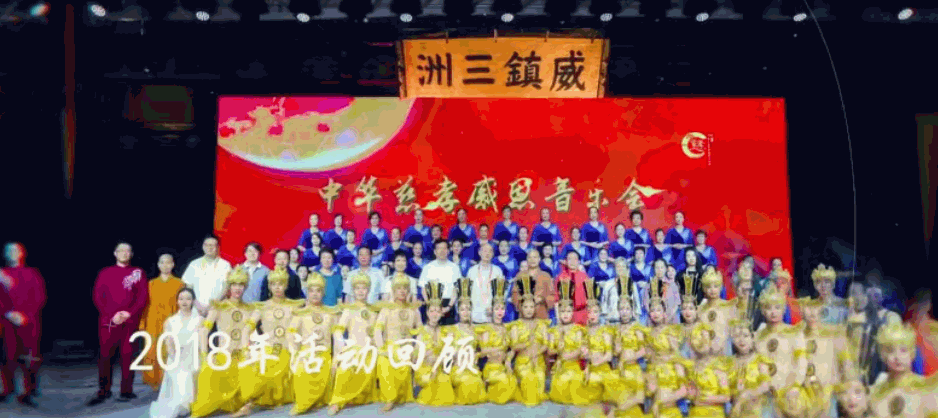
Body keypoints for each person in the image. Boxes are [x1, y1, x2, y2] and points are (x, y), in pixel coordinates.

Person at [234, 267, 303, 417]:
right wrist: (246, 349)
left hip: (288, 351)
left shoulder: (295, 306)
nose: (277, 287)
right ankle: (250, 401)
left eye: (281, 284)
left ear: (286, 285)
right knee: (255, 366)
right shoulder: (262, 307)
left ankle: (250, 404)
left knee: (270, 368)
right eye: (273, 284)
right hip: (268, 349)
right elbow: (246, 330)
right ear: (270, 286)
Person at [88, 242, 150, 406]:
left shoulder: (138, 272)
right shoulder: (105, 272)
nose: (124, 253)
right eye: (121, 250)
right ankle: (104, 391)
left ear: (131, 254)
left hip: (129, 322)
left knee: (128, 356)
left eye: (127, 251)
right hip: (108, 322)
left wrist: (129, 313)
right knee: (105, 357)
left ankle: (126, 390)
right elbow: (98, 296)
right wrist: (112, 316)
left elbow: (142, 297)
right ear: (115, 253)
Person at [189, 267, 253, 418]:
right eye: (234, 284)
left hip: (243, 357)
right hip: (223, 356)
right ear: (229, 287)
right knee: (206, 377)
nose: (237, 288)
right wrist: (204, 355)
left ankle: (245, 406)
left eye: (241, 285)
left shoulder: (249, 308)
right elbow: (204, 331)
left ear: (245, 287)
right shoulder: (218, 306)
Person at [0, 242, 47, 406]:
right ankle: (9, 389)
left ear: (22, 253)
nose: (12, 253)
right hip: (6, 322)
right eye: (9, 250)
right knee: (7, 357)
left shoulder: (32, 273)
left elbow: (39, 296)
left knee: (30, 357)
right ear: (5, 254)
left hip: (29, 322)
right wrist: (7, 313)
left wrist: (25, 315)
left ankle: (30, 391)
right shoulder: (1, 274)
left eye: (15, 250)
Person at [288, 272, 340, 416]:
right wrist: (295, 353)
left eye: (318, 290)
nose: (315, 294)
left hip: (324, 355)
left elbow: (338, 338)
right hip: (306, 354)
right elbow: (291, 334)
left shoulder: (331, 313)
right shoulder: (301, 313)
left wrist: (336, 358)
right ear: (307, 293)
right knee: (301, 370)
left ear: (323, 293)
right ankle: (304, 403)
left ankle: (326, 401)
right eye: (311, 291)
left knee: (332, 369)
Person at [328, 272, 379, 415]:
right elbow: (338, 331)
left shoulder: (374, 310)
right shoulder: (349, 309)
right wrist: (341, 347)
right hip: (353, 349)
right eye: (357, 288)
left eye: (364, 288)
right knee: (344, 370)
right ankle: (337, 402)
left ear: (368, 290)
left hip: (369, 351)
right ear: (353, 291)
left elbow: (377, 333)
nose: (361, 291)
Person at [148, 288, 201, 418]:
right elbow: (168, 343)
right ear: (177, 301)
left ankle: (194, 403)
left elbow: (202, 343)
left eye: (188, 298)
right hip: (176, 357)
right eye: (181, 299)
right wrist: (176, 358)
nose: (184, 302)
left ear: (193, 301)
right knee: (180, 373)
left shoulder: (200, 320)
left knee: (193, 369)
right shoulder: (170, 321)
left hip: (194, 355)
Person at [373, 274, 421, 412]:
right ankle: (390, 399)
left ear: (408, 291)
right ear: (393, 290)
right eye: (399, 288)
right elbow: (378, 329)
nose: (402, 291)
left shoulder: (414, 309)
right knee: (383, 361)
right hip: (389, 347)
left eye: (405, 288)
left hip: (406, 350)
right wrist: (381, 347)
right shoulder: (387, 308)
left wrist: (417, 349)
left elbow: (420, 331)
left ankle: (397, 395)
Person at [868, 323, 938, 417]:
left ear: (912, 353)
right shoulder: (874, 393)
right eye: (890, 351)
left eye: (903, 350)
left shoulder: (926, 387)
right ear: (883, 355)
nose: (897, 356)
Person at [139, 253, 185, 390]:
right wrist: (142, 323)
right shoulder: (151, 284)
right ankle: (154, 381)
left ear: (173, 265)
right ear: (158, 265)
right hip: (153, 322)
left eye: (168, 262)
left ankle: (170, 382)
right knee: (153, 350)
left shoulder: (179, 283)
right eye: (162, 262)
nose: (165, 265)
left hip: (172, 322)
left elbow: (183, 305)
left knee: (170, 350)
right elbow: (145, 305)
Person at [582, 279, 627, 411]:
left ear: (600, 312)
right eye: (589, 312)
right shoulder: (584, 331)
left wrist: (596, 362)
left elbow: (608, 355)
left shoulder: (605, 331)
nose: (592, 315)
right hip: (590, 367)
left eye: (595, 312)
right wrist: (586, 358)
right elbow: (584, 354)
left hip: (602, 367)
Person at [754, 284, 807, 393]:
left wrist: (796, 387)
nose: (773, 312)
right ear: (763, 311)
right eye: (769, 308)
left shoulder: (795, 332)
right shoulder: (758, 335)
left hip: (789, 392)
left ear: (783, 310)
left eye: (777, 307)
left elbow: (801, 363)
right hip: (764, 394)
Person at [508, 275, 550, 406]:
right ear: (521, 308)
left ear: (535, 308)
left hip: (538, 360)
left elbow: (546, 344)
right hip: (523, 361)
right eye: (526, 307)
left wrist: (536, 354)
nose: (529, 310)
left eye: (531, 307)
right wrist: (526, 343)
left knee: (540, 376)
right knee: (529, 378)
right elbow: (514, 346)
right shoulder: (516, 325)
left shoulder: (541, 324)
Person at [547, 278, 590, 406]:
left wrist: (571, 355)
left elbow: (581, 351)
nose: (565, 314)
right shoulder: (554, 330)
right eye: (562, 312)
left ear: (572, 313)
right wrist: (558, 350)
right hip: (560, 366)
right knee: (560, 388)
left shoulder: (578, 329)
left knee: (575, 384)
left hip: (574, 366)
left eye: (568, 311)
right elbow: (550, 351)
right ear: (559, 313)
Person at [414, 281, 456, 407]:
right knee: (430, 381)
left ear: (441, 313)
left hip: (439, 369)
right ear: (427, 313)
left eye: (438, 311)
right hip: (424, 369)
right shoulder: (421, 331)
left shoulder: (445, 331)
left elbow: (450, 355)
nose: (435, 314)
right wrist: (426, 357)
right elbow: (415, 358)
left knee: (445, 382)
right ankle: (418, 386)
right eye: (432, 311)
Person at [612, 278, 649, 418]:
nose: (624, 312)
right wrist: (617, 346)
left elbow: (643, 350)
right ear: (618, 311)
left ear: (632, 310)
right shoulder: (616, 328)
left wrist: (628, 358)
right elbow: (616, 352)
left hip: (634, 368)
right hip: (620, 369)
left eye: (627, 309)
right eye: (622, 309)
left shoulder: (637, 328)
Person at [477, 277, 518, 404]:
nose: (500, 312)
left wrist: (508, 360)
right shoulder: (486, 328)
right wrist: (499, 349)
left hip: (502, 366)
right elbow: (483, 351)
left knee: (512, 382)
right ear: (492, 310)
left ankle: (492, 388)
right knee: (504, 381)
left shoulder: (507, 328)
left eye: (502, 309)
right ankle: (487, 382)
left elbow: (512, 349)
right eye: (497, 309)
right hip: (491, 366)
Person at [451, 278, 488, 404]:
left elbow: (483, 350)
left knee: (475, 382)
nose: (465, 312)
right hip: (458, 367)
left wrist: (476, 355)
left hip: (472, 366)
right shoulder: (453, 329)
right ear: (458, 311)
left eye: (468, 309)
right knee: (467, 383)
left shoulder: (476, 329)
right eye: (462, 309)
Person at [728, 318, 774, 418]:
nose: (741, 340)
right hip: (736, 412)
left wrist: (746, 394)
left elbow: (765, 385)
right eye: (737, 336)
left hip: (758, 411)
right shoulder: (729, 363)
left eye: (746, 336)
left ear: (752, 337)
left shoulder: (760, 360)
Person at [686, 322, 733, 418]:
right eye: (699, 340)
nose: (703, 344)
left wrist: (703, 399)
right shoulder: (690, 367)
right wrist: (691, 395)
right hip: (694, 413)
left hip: (714, 414)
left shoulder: (719, 365)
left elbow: (726, 397)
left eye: (706, 340)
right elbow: (690, 395)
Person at [182, 236, 232, 316]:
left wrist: (212, 306)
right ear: (203, 247)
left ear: (218, 247)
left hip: (218, 309)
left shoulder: (225, 265)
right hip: (197, 310)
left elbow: (226, 288)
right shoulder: (194, 264)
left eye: (212, 245)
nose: (209, 248)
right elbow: (189, 288)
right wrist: (197, 305)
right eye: (207, 245)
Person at [419, 240, 461, 325]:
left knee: (449, 332)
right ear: (435, 251)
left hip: (448, 305)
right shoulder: (428, 267)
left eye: (444, 248)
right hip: (431, 307)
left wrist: (449, 307)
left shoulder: (455, 268)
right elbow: (423, 289)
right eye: (439, 248)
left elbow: (456, 290)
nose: (442, 251)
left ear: (448, 251)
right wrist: (430, 305)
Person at [510, 249, 556, 321]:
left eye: (535, 257)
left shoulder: (546, 276)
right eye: (530, 257)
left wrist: (542, 299)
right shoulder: (520, 275)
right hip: (524, 315)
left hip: (541, 314)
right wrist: (523, 301)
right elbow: (514, 294)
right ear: (527, 259)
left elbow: (552, 296)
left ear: (539, 259)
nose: (532, 260)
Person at [698, 269, 735, 355]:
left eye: (715, 286)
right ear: (704, 289)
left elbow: (733, 333)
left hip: (724, 353)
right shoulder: (700, 309)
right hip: (705, 353)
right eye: (708, 287)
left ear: (720, 287)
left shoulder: (729, 306)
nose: (712, 290)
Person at [467, 243, 504, 324]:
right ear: (479, 252)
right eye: (484, 251)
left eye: (490, 251)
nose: (487, 254)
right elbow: (467, 293)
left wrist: (494, 307)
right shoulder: (472, 271)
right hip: (474, 313)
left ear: (493, 254)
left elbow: (500, 293)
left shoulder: (497, 271)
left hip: (491, 313)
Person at [601, 259, 642, 325]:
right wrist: (606, 320)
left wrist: (636, 320)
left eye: (623, 266)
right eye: (618, 266)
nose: (620, 269)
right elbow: (604, 304)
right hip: (612, 322)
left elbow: (637, 305)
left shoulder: (632, 284)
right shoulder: (608, 284)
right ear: (615, 269)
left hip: (629, 322)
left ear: (627, 269)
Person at [556, 250, 589, 326]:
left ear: (579, 261)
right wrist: (558, 319)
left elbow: (588, 299)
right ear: (566, 261)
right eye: (570, 259)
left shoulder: (584, 277)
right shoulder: (560, 277)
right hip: (565, 316)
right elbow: (556, 300)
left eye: (575, 259)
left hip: (582, 314)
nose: (572, 261)